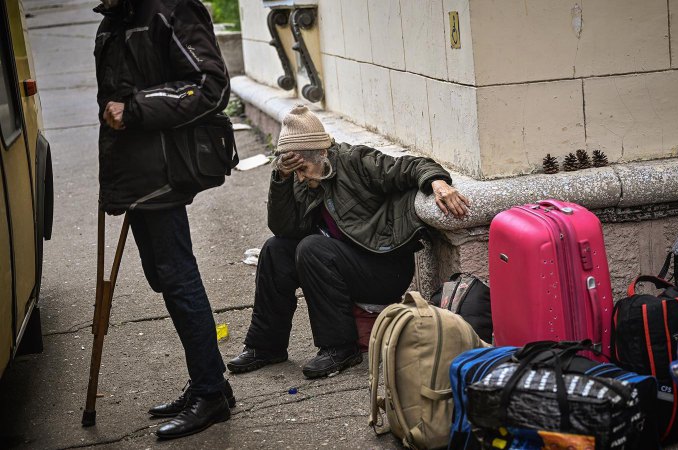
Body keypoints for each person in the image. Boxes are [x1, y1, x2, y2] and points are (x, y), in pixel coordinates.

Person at [227, 105, 470, 379]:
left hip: (384, 268)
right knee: (275, 249)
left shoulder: (356, 161)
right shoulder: (302, 178)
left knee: (312, 248)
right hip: (339, 263)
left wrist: (438, 183)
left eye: (304, 169)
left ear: (322, 154)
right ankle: (266, 345)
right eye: (295, 172)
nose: (302, 177)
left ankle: (339, 348)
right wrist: (281, 180)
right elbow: (283, 228)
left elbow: (412, 166)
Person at [94, 0, 234, 439]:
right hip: (136, 173)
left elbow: (210, 85)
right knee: (164, 277)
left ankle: (210, 394)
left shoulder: (170, 8)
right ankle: (211, 384)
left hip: (163, 171)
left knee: (177, 277)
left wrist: (134, 108)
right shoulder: (116, 19)